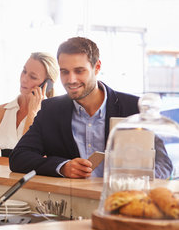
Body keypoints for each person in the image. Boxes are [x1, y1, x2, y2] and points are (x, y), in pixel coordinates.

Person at [9, 37, 172, 179]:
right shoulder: (51, 110)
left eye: (79, 71)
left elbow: (164, 165)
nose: (71, 80)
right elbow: (19, 158)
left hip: (124, 200)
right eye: (65, 72)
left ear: (97, 67)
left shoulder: (133, 108)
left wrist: (134, 183)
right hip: (75, 203)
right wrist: (63, 167)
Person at [0, 52, 59, 157]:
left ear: (47, 84)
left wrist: (33, 112)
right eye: (24, 71)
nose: (24, 79)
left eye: (33, 77)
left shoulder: (53, 117)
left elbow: (29, 154)